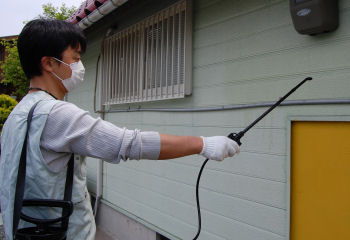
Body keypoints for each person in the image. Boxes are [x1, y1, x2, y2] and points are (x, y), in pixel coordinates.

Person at [0, 19, 240, 240]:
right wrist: (204, 144)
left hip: (22, 231)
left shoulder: (17, 115)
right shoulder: (56, 114)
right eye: (75, 58)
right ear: (49, 63)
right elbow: (130, 143)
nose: (80, 66)